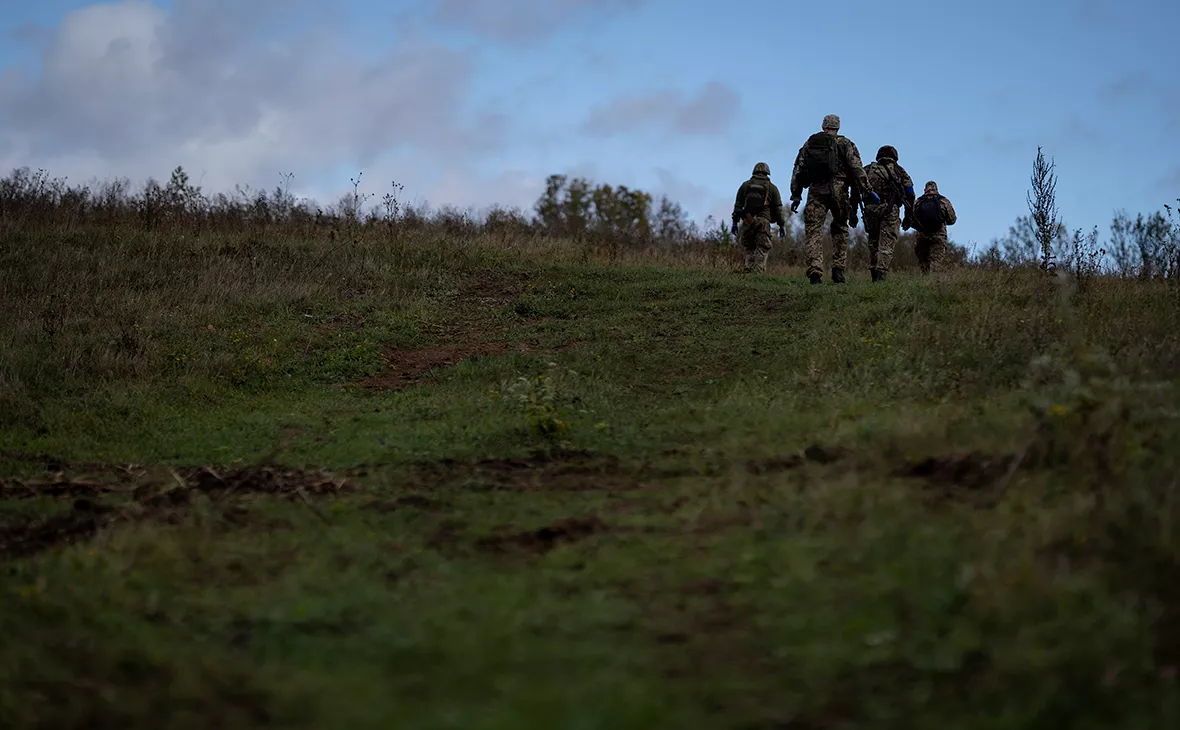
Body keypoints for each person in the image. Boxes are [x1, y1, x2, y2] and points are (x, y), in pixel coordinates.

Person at [789, 114, 879, 285]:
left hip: (816, 190)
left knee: (814, 230)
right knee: (840, 228)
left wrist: (796, 194)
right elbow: (856, 168)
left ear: (823, 126)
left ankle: (815, 274)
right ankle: (838, 272)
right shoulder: (846, 143)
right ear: (838, 127)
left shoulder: (810, 143)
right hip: (839, 190)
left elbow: (798, 168)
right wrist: (867, 190)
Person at [860, 145, 916, 282]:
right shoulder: (899, 170)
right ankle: (881, 275)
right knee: (886, 243)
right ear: (895, 157)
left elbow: (856, 190)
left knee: (873, 242)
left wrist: (853, 212)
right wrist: (908, 216)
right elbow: (910, 194)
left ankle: (873, 273)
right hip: (890, 210)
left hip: (870, 210)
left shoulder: (867, 170)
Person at [731, 162, 787, 273]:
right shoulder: (772, 188)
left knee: (749, 247)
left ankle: (748, 270)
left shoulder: (745, 185)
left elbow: (737, 207)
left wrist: (734, 223)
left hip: (747, 220)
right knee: (762, 248)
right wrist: (781, 225)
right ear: (767, 173)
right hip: (763, 222)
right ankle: (758, 273)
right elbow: (778, 210)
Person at [910, 181, 957, 274]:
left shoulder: (917, 202)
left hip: (922, 237)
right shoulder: (944, 201)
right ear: (936, 189)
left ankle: (925, 284)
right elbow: (952, 220)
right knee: (935, 264)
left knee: (924, 265)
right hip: (938, 236)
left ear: (924, 190)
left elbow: (910, 221)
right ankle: (932, 285)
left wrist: (920, 226)